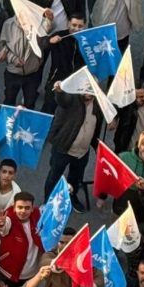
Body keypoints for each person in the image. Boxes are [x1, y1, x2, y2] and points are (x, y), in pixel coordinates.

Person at [45, 81, 109, 211]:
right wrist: (59, 91)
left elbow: (97, 126)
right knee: (54, 177)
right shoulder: (72, 99)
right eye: (87, 88)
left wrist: (96, 146)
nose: (89, 93)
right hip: (63, 148)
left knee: (75, 178)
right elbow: (62, 99)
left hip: (82, 152)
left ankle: (71, 199)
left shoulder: (98, 104)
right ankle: (48, 203)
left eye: (92, 89)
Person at [0, 6, 53, 108]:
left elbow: (46, 29)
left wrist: (49, 19)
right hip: (13, 72)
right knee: (9, 102)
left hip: (32, 73)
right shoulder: (8, 24)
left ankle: (26, 124)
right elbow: (2, 46)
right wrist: (13, 59)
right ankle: (5, 123)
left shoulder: (37, 24)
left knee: (30, 103)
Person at [41, 14, 87, 114]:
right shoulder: (59, 35)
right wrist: (49, 41)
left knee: (67, 115)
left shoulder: (86, 41)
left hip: (74, 84)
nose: (76, 29)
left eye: (80, 26)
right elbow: (43, 46)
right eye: (74, 25)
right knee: (48, 111)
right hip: (56, 80)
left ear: (85, 26)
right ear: (68, 24)